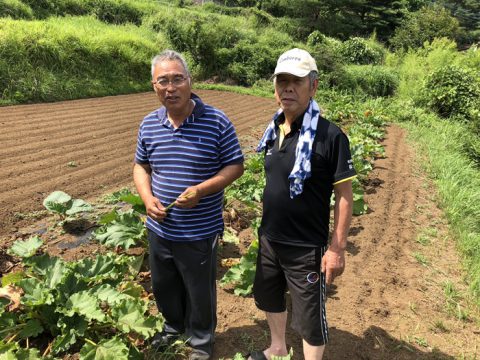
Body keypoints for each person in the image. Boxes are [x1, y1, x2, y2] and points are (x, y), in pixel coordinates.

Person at [133, 50, 244, 360]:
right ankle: (172, 329)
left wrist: (201, 190)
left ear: (189, 81)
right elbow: (140, 166)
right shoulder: (149, 124)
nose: (171, 88)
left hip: (199, 230)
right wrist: (146, 198)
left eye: (177, 79)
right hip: (159, 227)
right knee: (164, 285)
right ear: (154, 86)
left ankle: (200, 342)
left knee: (198, 290)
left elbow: (235, 165)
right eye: (163, 81)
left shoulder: (216, 121)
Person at [250, 48, 356, 360]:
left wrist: (336, 249)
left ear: (313, 86)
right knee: (270, 298)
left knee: (310, 318)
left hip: (306, 246)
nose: (287, 88)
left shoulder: (330, 136)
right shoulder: (273, 131)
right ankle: (277, 348)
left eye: (296, 81)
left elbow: (345, 196)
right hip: (270, 238)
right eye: (282, 81)